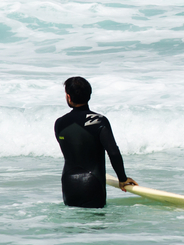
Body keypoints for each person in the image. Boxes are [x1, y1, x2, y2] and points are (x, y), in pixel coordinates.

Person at [54, 76, 137, 208]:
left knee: (73, 226)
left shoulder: (60, 123)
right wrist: (122, 179)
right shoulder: (99, 120)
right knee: (95, 226)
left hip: (69, 185)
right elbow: (113, 152)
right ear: (89, 95)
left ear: (69, 97)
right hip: (92, 184)